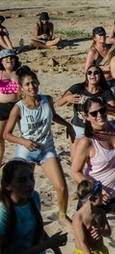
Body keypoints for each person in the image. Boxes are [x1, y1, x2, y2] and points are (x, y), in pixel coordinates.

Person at [3, 66, 74, 224]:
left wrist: (67, 125)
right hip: (26, 150)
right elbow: (6, 134)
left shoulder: (47, 100)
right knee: (19, 189)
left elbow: (53, 116)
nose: (32, 86)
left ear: (38, 83)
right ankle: (14, 216)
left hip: (46, 148)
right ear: (22, 87)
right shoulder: (18, 108)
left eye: (34, 82)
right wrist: (23, 141)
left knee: (61, 186)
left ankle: (63, 216)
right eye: (27, 84)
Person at [0, 160, 67, 254]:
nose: (29, 183)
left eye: (31, 177)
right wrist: (47, 244)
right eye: (21, 180)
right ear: (8, 185)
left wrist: (56, 251)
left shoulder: (33, 197)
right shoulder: (3, 213)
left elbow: (37, 227)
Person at [69, 97, 115, 225]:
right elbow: (75, 171)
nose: (99, 115)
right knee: (90, 235)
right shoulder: (87, 142)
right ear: (86, 117)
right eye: (94, 113)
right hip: (96, 196)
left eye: (102, 111)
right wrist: (96, 188)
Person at [57, 65, 115, 142]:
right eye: (89, 73)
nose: (92, 75)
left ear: (101, 75)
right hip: (78, 127)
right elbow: (59, 103)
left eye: (96, 73)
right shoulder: (78, 88)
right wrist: (67, 98)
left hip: (97, 128)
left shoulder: (105, 92)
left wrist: (101, 106)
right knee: (77, 149)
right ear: (86, 75)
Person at [72, 180, 113, 254]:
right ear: (92, 198)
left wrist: (102, 232)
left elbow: (108, 231)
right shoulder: (78, 217)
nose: (103, 196)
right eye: (100, 194)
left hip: (100, 251)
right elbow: (82, 242)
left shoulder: (100, 212)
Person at [0, 49, 22, 164]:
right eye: (6, 58)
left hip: (18, 106)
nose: (9, 59)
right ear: (1, 61)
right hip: (2, 107)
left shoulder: (19, 72)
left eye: (12, 57)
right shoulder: (0, 73)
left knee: (25, 132)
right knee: (0, 136)